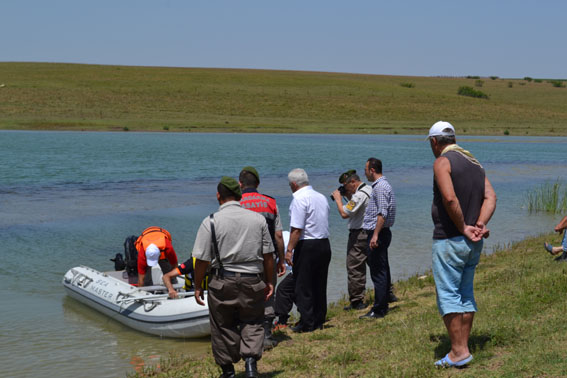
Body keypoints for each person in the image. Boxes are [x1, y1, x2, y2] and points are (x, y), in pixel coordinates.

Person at [164, 176, 274, 378]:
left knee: (222, 325)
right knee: (253, 321)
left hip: (222, 281)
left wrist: (198, 286)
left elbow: (202, 260)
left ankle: (228, 371)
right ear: (239, 196)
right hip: (253, 280)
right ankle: (250, 366)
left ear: (218, 196)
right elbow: (268, 256)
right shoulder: (258, 220)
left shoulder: (210, 222)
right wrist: (270, 281)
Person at [427, 121, 497, 368]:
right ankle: (462, 348)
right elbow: (491, 197)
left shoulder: (442, 162)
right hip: (473, 243)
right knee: (465, 293)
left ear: (434, 142)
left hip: (449, 239)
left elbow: (449, 197)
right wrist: (479, 223)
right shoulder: (475, 163)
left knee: (448, 295)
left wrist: (463, 226)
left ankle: (458, 352)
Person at [239, 166, 286, 349]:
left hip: (242, 260)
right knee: (268, 294)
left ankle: (246, 337)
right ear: (258, 184)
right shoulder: (270, 202)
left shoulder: (236, 202)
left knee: (244, 297)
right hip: (267, 259)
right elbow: (279, 235)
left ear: (240, 184)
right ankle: (266, 335)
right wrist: (281, 259)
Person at [285, 168, 331, 333]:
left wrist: (289, 249)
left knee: (303, 285)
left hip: (308, 244)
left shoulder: (299, 199)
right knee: (319, 283)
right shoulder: (321, 197)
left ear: (294, 184)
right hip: (324, 243)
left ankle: (307, 322)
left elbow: (297, 229)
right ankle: (319, 318)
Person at [361, 158, 397, 319]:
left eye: (366, 169)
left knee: (378, 272)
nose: (365, 172)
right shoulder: (381, 186)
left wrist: (375, 235)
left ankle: (379, 309)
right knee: (382, 269)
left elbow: (382, 212)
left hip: (379, 233)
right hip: (381, 232)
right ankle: (383, 303)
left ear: (372, 170)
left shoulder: (380, 187)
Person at [331, 170, 372, 311]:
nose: (345, 188)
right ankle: (387, 292)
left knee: (354, 267)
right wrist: (347, 196)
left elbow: (344, 213)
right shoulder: (368, 189)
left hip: (359, 235)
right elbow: (355, 208)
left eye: (346, 185)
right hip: (370, 232)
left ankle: (356, 301)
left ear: (353, 182)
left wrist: (338, 199)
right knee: (376, 264)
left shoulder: (359, 195)